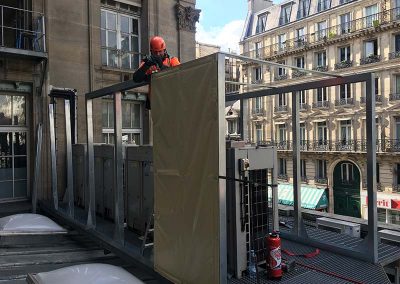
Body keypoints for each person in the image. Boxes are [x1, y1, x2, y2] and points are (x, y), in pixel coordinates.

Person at [133, 36, 180, 109]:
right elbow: (136, 78)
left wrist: (161, 65)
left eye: (160, 51)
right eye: (155, 52)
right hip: (156, 103)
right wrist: (146, 65)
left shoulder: (172, 61)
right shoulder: (148, 63)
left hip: (172, 101)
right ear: (151, 52)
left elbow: (179, 76)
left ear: (164, 50)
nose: (158, 54)